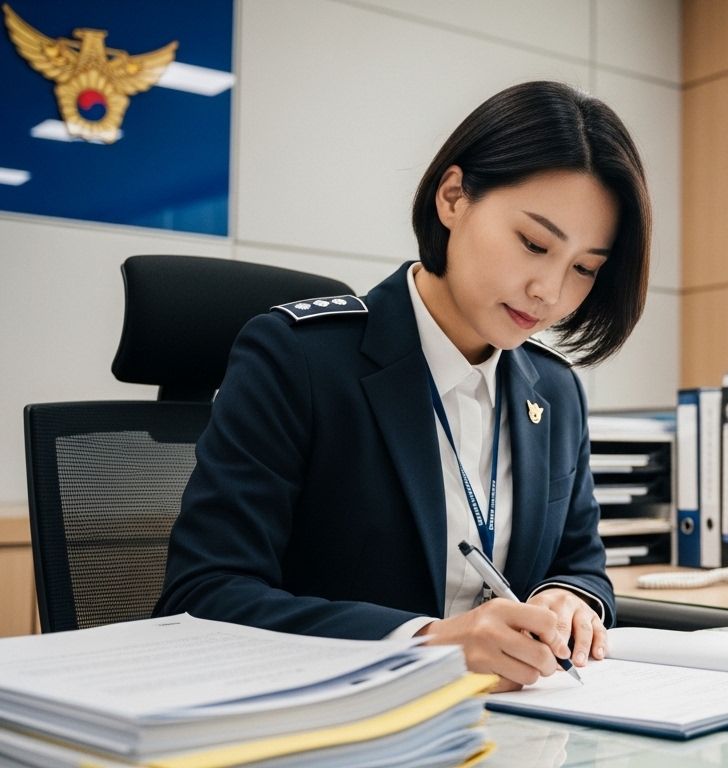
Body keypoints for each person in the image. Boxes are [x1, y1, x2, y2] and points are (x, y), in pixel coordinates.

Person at [156, 81, 651, 692]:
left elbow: (581, 564)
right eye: (533, 243)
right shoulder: (297, 358)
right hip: (330, 728)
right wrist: (430, 642)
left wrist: (571, 599)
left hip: (506, 728)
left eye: (584, 269)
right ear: (453, 197)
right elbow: (205, 594)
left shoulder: (554, 391)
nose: (549, 291)